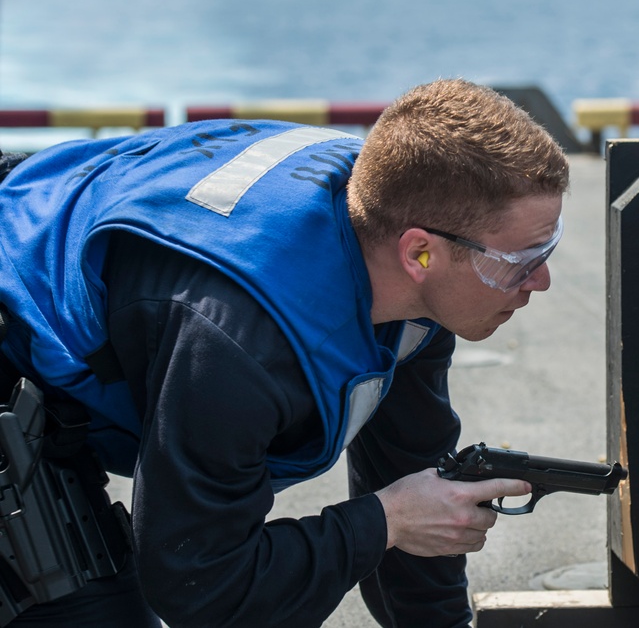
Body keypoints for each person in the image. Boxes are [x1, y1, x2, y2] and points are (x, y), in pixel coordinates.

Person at [0, 79, 570, 627]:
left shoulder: (400, 227)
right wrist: (383, 521)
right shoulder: (238, 346)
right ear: (419, 253)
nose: (540, 280)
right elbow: (201, 587)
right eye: (520, 259)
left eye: (549, 247)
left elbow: (413, 474)